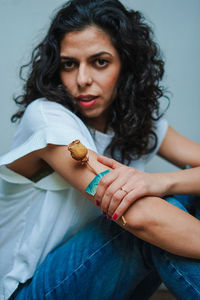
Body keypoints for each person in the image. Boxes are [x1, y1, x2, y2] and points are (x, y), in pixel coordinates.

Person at [0, 0, 200, 299]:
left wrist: (161, 181)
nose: (82, 79)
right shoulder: (48, 120)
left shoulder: (140, 123)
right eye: (69, 64)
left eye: (100, 62)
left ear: (126, 66)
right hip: (30, 291)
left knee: (181, 194)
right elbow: (142, 217)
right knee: (149, 213)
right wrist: (157, 192)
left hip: (103, 282)